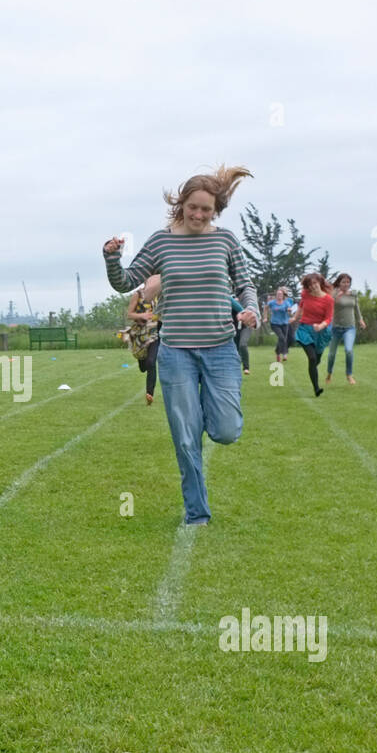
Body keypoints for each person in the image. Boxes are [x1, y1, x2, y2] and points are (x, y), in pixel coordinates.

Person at [104, 164, 258, 526]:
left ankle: (201, 411)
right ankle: (196, 511)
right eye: (194, 207)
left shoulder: (225, 241)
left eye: (207, 209)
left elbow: (245, 285)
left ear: (215, 210)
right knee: (186, 438)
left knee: (225, 430)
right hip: (175, 353)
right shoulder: (161, 242)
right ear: (181, 204)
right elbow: (125, 282)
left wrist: (251, 309)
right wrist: (112, 257)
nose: (199, 215)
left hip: (221, 348)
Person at [123, 274, 162, 404]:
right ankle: (142, 362)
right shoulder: (138, 295)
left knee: (151, 362)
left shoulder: (160, 295)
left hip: (154, 333)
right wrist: (143, 315)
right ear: (146, 280)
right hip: (140, 334)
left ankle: (149, 393)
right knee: (143, 366)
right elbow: (129, 314)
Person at [292, 273, 333, 396]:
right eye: (310, 285)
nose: (313, 286)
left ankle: (312, 369)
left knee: (316, 360)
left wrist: (320, 326)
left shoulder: (328, 300)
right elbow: (301, 305)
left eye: (315, 283)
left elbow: (329, 318)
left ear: (320, 282)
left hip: (321, 331)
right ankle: (316, 389)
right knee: (312, 358)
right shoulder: (305, 294)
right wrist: (295, 318)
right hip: (305, 329)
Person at [325, 273, 366, 386]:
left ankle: (349, 374)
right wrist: (336, 295)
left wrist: (360, 320)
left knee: (348, 350)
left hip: (350, 327)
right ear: (339, 283)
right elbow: (328, 304)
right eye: (343, 282)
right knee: (332, 354)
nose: (346, 284)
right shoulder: (334, 293)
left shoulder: (353, 294)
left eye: (348, 282)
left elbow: (356, 308)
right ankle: (329, 373)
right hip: (336, 328)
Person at [263, 286, 294, 364]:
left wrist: (289, 311)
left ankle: (277, 352)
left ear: (283, 295)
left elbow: (289, 312)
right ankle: (284, 354)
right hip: (275, 324)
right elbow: (265, 308)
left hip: (285, 323)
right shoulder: (272, 302)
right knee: (282, 338)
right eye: (278, 294)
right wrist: (265, 317)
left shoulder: (286, 303)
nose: (279, 295)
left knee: (283, 339)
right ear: (276, 295)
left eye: (281, 294)